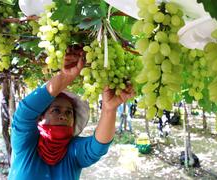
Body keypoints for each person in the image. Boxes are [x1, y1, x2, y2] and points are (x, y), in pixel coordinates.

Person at [8, 46, 135, 180]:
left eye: (69, 113)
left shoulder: (72, 150)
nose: (63, 116)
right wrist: (65, 77)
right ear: (40, 117)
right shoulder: (26, 144)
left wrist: (109, 110)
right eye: (56, 110)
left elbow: (97, 147)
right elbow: (23, 114)